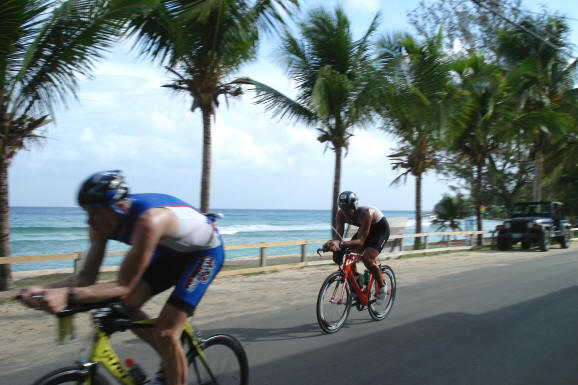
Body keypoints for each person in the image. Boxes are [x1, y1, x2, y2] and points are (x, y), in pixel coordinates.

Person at [19, 170, 224, 385]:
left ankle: (170, 347)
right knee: (125, 306)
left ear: (118, 208)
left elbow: (123, 285)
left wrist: (67, 295)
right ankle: (169, 358)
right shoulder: (99, 225)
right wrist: (46, 290)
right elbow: (87, 279)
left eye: (95, 213)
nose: (89, 221)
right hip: (169, 253)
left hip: (203, 255)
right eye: (86, 212)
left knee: (165, 333)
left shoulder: (149, 221)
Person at [322, 191, 390, 305]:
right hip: (365, 230)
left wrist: (342, 244)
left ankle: (382, 287)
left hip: (380, 230)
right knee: (350, 256)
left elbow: (360, 242)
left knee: (367, 259)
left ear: (354, 206)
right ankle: (358, 283)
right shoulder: (340, 215)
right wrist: (332, 244)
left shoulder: (366, 213)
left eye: (347, 209)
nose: (345, 212)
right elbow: (338, 237)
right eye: (342, 208)